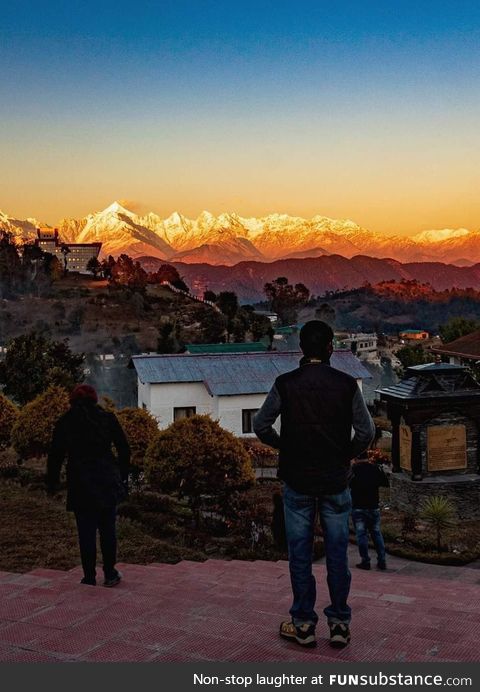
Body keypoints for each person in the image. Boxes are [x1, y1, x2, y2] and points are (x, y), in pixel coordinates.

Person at [253, 320, 375, 649]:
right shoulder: (347, 385)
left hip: (298, 481)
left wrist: (283, 446)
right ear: (330, 348)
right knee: (337, 556)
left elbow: (260, 423)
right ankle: (339, 624)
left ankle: (303, 625)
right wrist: (344, 455)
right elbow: (366, 433)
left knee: (300, 556)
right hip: (336, 482)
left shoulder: (285, 383)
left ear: (303, 350)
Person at [46, 384, 130, 587]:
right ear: (94, 399)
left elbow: (55, 455)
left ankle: (89, 577)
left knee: (86, 533)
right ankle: (110, 573)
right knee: (108, 530)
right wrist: (122, 476)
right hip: (107, 480)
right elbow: (124, 448)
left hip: (81, 483)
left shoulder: (66, 421)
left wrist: (52, 483)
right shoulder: (107, 418)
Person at [350, 454, 389, 571]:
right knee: (376, 533)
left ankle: (365, 560)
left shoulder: (354, 470)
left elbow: (347, 484)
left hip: (358, 506)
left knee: (361, 535)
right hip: (373, 506)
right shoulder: (375, 468)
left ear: (356, 459)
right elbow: (385, 483)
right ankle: (382, 560)